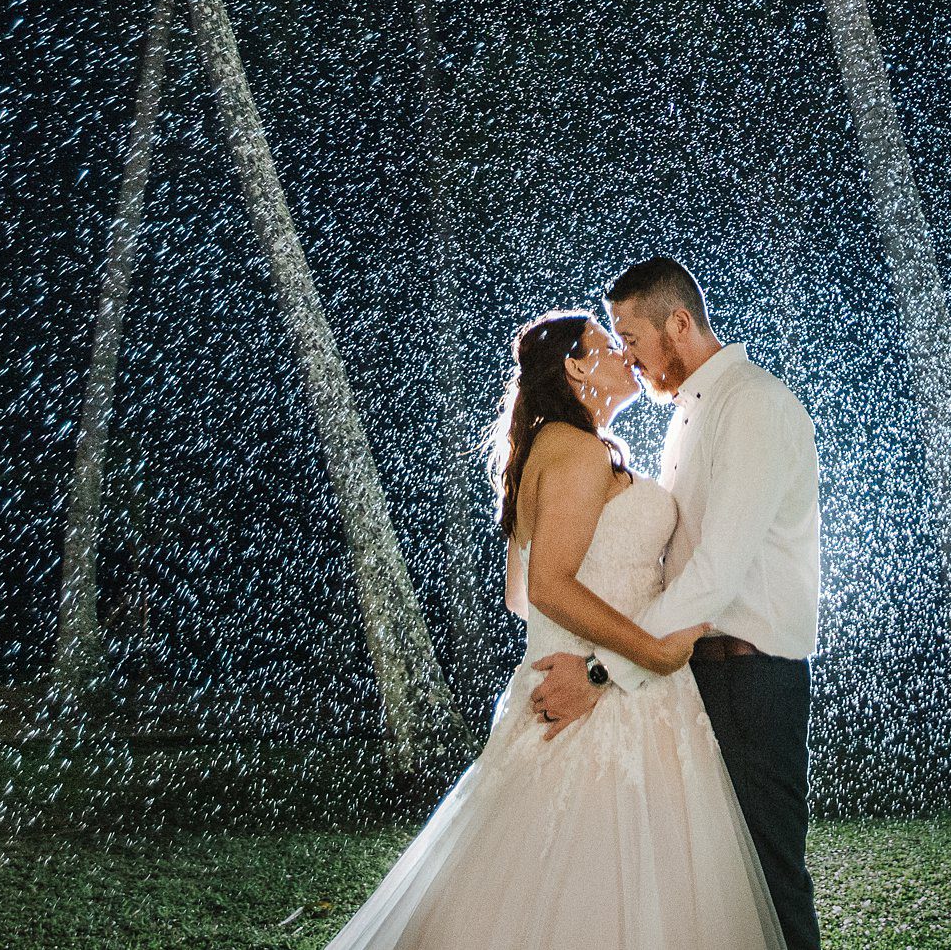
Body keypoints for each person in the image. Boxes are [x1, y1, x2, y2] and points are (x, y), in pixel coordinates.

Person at [322, 297, 788, 950]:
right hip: (604, 695)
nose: (624, 353)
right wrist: (644, 645)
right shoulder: (574, 451)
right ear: (575, 370)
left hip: (584, 673)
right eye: (606, 343)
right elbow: (546, 586)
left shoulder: (555, 446)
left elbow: (518, 596)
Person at [532, 256, 824, 950]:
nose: (627, 358)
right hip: (691, 679)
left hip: (749, 680)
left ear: (679, 324)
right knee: (699, 890)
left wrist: (601, 669)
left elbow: (715, 573)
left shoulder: (752, 404)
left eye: (629, 337)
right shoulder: (685, 414)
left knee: (768, 879)